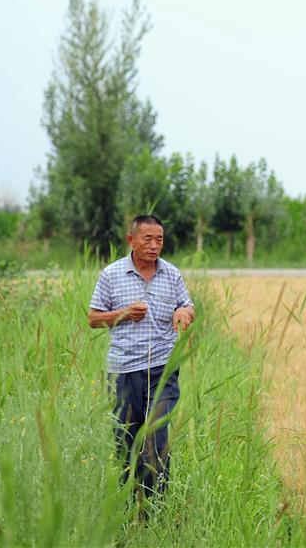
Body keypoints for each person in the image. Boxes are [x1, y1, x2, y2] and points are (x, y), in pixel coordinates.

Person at [87, 214, 196, 500]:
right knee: (127, 440)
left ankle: (157, 504)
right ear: (131, 240)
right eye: (147, 239)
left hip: (162, 368)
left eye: (159, 239)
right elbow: (93, 318)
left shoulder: (171, 274)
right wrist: (123, 314)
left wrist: (183, 312)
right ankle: (131, 502)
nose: (154, 245)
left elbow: (188, 306)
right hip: (123, 370)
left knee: (156, 435)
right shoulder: (111, 274)